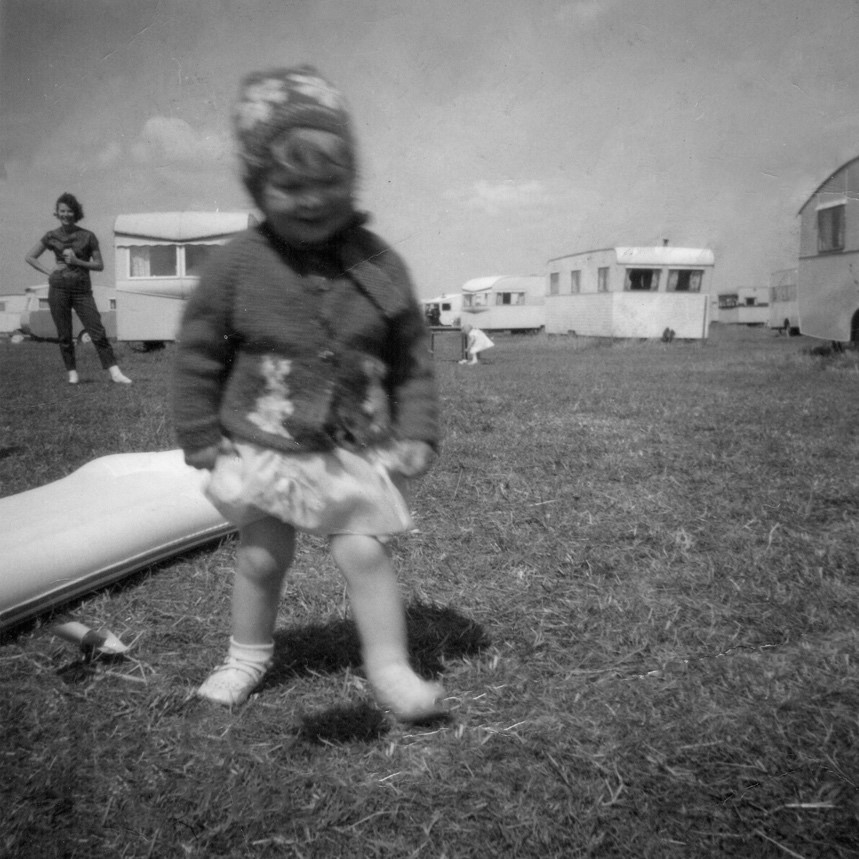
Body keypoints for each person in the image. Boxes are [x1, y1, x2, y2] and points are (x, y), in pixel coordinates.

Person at [172, 65, 446, 721]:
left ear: (350, 179)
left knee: (363, 550)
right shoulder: (239, 263)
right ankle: (245, 657)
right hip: (262, 439)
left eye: (328, 181)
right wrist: (201, 437)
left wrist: (416, 430)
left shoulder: (377, 264)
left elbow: (409, 352)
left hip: (346, 441)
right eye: (288, 184)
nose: (310, 198)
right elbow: (198, 349)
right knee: (264, 555)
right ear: (257, 185)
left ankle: (388, 665)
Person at [25, 193, 132, 385]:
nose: (66, 214)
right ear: (57, 213)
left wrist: (77, 261)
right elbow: (30, 257)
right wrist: (49, 272)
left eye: (69, 211)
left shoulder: (88, 236)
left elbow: (99, 265)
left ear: (76, 213)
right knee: (64, 334)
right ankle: (72, 373)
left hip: (82, 290)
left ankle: (115, 373)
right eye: (62, 211)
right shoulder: (51, 236)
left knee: (97, 330)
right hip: (58, 288)